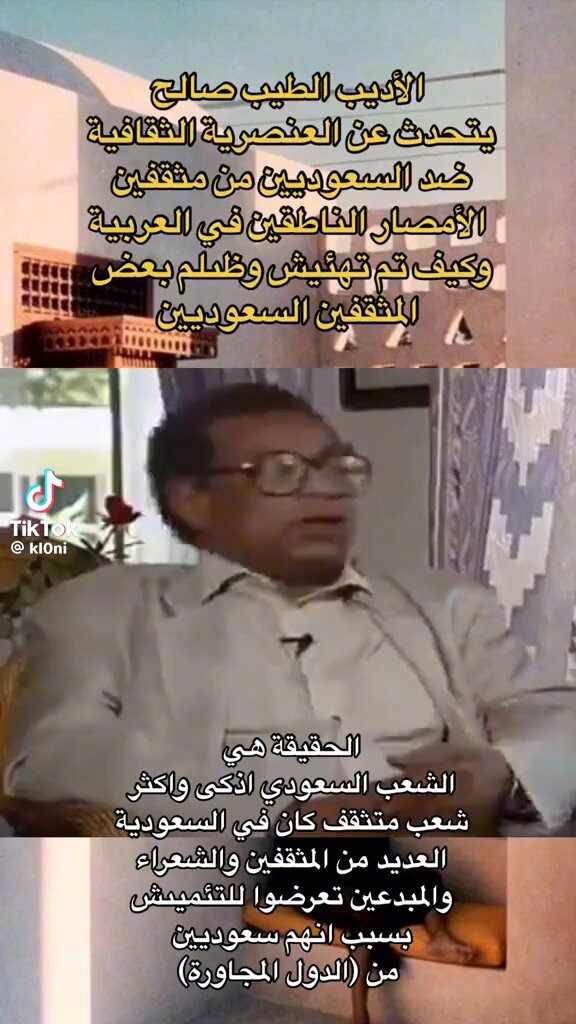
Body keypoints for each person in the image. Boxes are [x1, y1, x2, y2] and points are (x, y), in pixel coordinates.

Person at [4, 381, 576, 835]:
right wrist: (289, 801)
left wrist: (507, 774)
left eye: (340, 469)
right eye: (284, 471)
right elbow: (51, 761)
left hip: (454, 874)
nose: (328, 490)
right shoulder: (103, 608)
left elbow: (552, 717)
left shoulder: (448, 606)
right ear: (193, 499)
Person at [264, 833, 476, 1024]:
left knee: (426, 879)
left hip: (362, 883)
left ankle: (440, 937)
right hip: (313, 891)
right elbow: (288, 877)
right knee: (363, 914)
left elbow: (376, 862)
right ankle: (360, 1014)